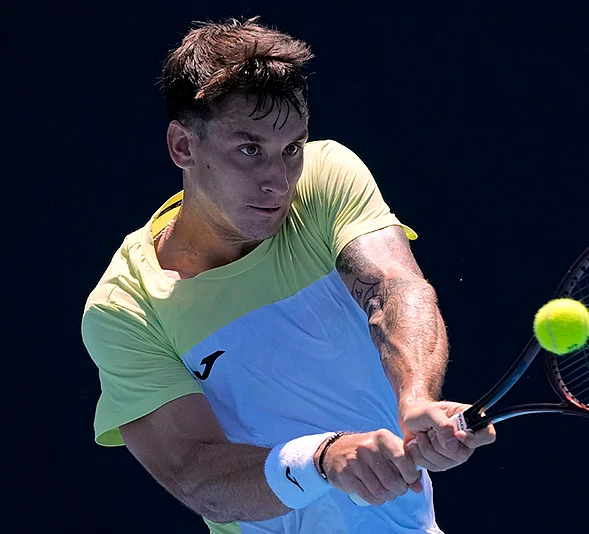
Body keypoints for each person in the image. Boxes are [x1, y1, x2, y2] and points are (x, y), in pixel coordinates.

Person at [81, 16, 495, 534]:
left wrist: (415, 396)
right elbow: (196, 476)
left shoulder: (326, 178)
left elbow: (394, 287)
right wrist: (322, 458)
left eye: (292, 149)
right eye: (248, 149)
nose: (278, 181)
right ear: (184, 147)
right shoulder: (126, 308)